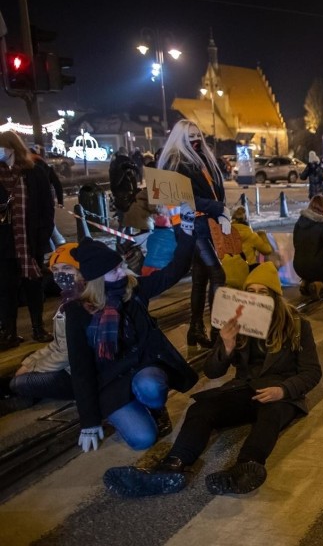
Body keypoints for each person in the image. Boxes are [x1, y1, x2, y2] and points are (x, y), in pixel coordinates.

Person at [103, 262, 322, 497]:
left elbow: (312, 371)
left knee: (270, 416)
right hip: (245, 388)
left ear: (275, 297)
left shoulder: (297, 325)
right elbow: (213, 372)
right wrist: (226, 347)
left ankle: (246, 467)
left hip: (280, 394)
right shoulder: (238, 321)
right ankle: (172, 466)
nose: (257, 298)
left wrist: (284, 390)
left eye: (264, 293)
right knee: (201, 409)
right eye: (252, 292)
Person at [64, 205, 198, 453]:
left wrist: (187, 231)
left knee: (151, 386)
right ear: (97, 280)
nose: (123, 271)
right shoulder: (78, 312)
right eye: (115, 270)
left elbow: (174, 272)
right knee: (143, 440)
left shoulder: (133, 290)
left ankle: (154, 407)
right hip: (111, 381)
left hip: (143, 369)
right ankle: (129, 410)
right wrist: (89, 423)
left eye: (121, 265)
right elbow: (81, 369)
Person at [158, 119, 229, 349]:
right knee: (218, 274)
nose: (196, 139)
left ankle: (195, 329)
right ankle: (217, 331)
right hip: (192, 225)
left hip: (205, 223)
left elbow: (213, 190)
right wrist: (219, 208)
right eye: (191, 136)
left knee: (201, 278)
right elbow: (181, 197)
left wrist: (221, 212)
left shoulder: (201, 160)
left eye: (198, 134)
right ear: (180, 138)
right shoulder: (176, 161)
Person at [0, 244, 82, 416]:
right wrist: (29, 363)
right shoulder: (68, 298)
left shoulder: (80, 303)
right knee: (25, 360)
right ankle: (30, 389)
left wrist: (34, 367)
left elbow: (67, 353)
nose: (61, 274)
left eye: (67, 268)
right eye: (56, 269)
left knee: (19, 383)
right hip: (69, 364)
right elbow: (57, 344)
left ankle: (29, 395)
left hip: (79, 375)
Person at [0, 131, 56, 347]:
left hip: (29, 241)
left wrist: (42, 236)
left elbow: (46, 207)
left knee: (34, 286)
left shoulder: (34, 173)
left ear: (12, 148)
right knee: (6, 289)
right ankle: (9, 332)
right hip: (5, 243)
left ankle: (38, 328)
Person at [231, 206, 274, 270]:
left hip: (227, 274)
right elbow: (267, 250)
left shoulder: (225, 234)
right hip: (246, 273)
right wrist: (263, 235)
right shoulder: (251, 236)